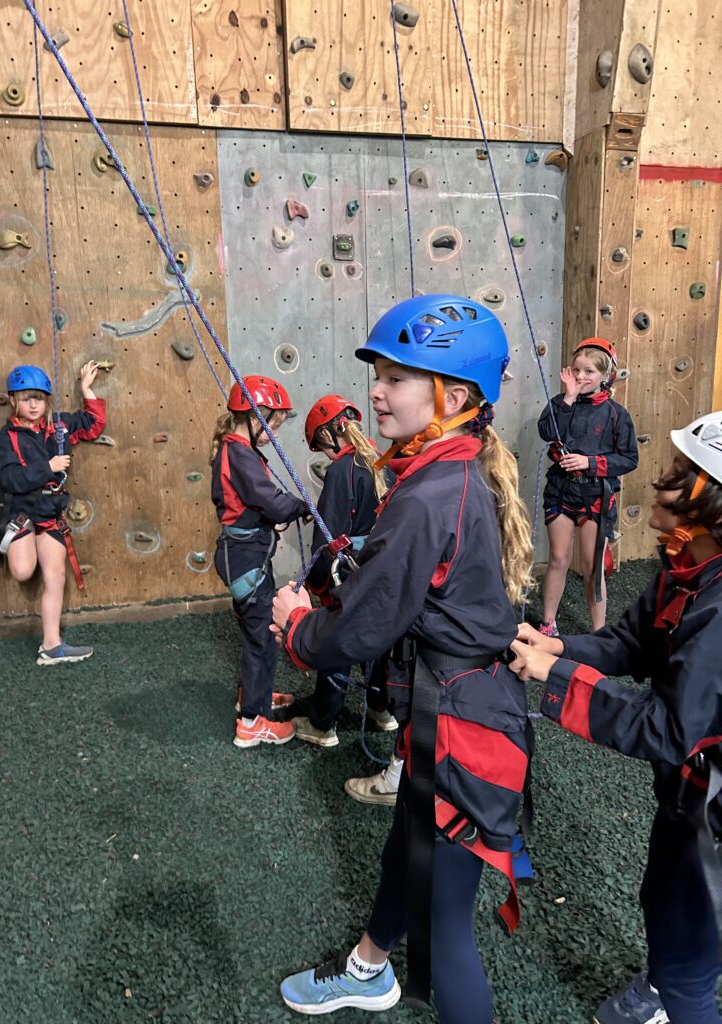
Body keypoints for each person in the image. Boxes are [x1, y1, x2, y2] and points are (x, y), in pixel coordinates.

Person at [271, 295, 535, 1022]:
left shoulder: (429, 492)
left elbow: (355, 635)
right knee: (406, 852)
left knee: (445, 932)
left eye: (397, 377)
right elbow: (413, 588)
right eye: (379, 374)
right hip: (454, 721)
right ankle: (368, 967)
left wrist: (297, 628)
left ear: (452, 398)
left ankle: (379, 967)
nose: (376, 392)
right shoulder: (449, 472)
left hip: (463, 735)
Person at [510, 410, 722, 1024]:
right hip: (690, 797)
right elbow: (633, 642)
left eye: (683, 473)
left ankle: (679, 989)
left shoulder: (718, 611)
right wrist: (561, 647)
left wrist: (561, 679)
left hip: (713, 809)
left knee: (690, 950)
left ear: (711, 504)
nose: (665, 479)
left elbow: (669, 729)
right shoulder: (688, 571)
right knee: (663, 895)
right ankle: (666, 980)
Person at [291, 393, 397, 751]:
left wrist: (316, 582)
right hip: (382, 564)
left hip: (349, 568)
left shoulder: (340, 471)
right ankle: (382, 709)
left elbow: (328, 535)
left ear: (326, 435)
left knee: (338, 641)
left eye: (319, 445)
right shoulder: (384, 463)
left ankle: (324, 724)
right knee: (380, 638)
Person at [210, 375, 309, 749]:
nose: (272, 434)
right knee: (261, 640)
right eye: (271, 426)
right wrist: (301, 506)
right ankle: (252, 722)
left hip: (244, 558)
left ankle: (255, 697)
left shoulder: (235, 449)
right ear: (254, 417)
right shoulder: (239, 452)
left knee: (258, 633)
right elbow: (268, 500)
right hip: (246, 560)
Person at [0, 361, 106, 665]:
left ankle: (51, 645)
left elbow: (94, 424)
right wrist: (49, 468)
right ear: (13, 400)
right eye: (26, 398)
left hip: (49, 511)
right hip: (21, 512)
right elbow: (10, 479)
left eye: (39, 398)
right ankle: (12, 540)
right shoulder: (7, 439)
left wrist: (86, 390)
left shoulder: (59, 425)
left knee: (55, 576)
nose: (33, 405)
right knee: (23, 570)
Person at [538, 338, 638, 635]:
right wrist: (567, 399)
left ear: (605, 376)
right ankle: (547, 624)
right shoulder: (560, 403)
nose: (580, 377)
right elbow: (546, 431)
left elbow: (629, 458)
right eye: (576, 370)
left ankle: (599, 633)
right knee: (558, 558)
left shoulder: (617, 414)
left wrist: (590, 463)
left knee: (592, 567)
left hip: (596, 496)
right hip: (560, 491)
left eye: (589, 372)